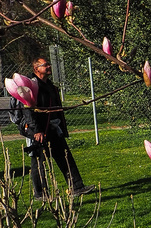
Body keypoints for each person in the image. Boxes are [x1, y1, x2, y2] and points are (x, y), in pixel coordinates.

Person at [14, 57, 93, 201]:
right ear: (36, 69)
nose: (49, 67)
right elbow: (27, 110)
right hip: (37, 131)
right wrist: (36, 130)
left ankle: (77, 186)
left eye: (49, 64)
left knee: (65, 156)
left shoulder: (50, 86)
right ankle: (41, 194)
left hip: (53, 128)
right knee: (39, 162)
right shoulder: (31, 85)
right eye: (46, 65)